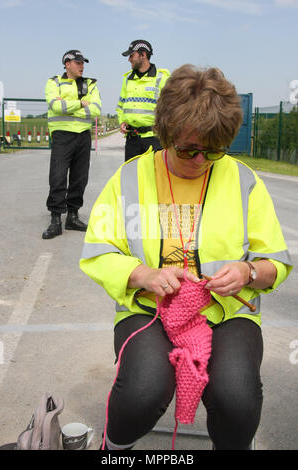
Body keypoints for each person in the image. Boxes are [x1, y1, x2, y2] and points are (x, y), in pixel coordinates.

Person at [80, 65, 293, 450]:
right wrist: (142, 274)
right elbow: (98, 251)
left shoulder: (244, 180)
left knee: (238, 399)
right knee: (142, 390)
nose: (200, 161)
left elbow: (275, 262)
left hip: (228, 313)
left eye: (214, 150)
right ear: (164, 133)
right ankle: (114, 449)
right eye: (188, 149)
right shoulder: (130, 178)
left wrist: (247, 271)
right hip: (150, 311)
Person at [42, 49, 102, 239]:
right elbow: (56, 106)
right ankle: (56, 220)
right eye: (78, 62)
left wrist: (70, 105)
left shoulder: (90, 84)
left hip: (83, 136)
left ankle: (73, 217)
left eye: (83, 62)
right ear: (67, 64)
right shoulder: (54, 82)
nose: (82, 66)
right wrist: (81, 104)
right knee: (58, 177)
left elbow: (96, 109)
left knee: (79, 178)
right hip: (62, 135)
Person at [116, 39, 170, 161]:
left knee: (154, 178)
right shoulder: (127, 79)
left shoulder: (162, 78)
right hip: (132, 139)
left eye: (131, 55)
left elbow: (172, 109)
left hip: (154, 140)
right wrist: (122, 121)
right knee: (131, 177)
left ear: (143, 55)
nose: (129, 59)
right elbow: (121, 105)